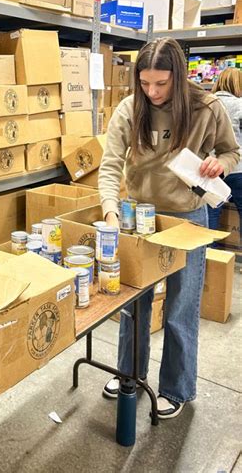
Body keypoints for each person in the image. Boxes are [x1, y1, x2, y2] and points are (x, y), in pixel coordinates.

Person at [98, 38, 239, 420]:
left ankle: (175, 387)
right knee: (133, 302)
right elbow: (110, 165)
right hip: (137, 217)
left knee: (180, 306)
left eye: (161, 84)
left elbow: (232, 151)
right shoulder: (130, 108)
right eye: (145, 83)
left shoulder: (207, 108)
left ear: (179, 76)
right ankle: (130, 374)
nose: (153, 92)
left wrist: (220, 165)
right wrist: (111, 212)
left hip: (187, 218)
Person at [207, 68, 242, 239]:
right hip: (238, 169)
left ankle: (209, 259)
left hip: (211, 169)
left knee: (211, 215)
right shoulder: (240, 105)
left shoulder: (207, 104)